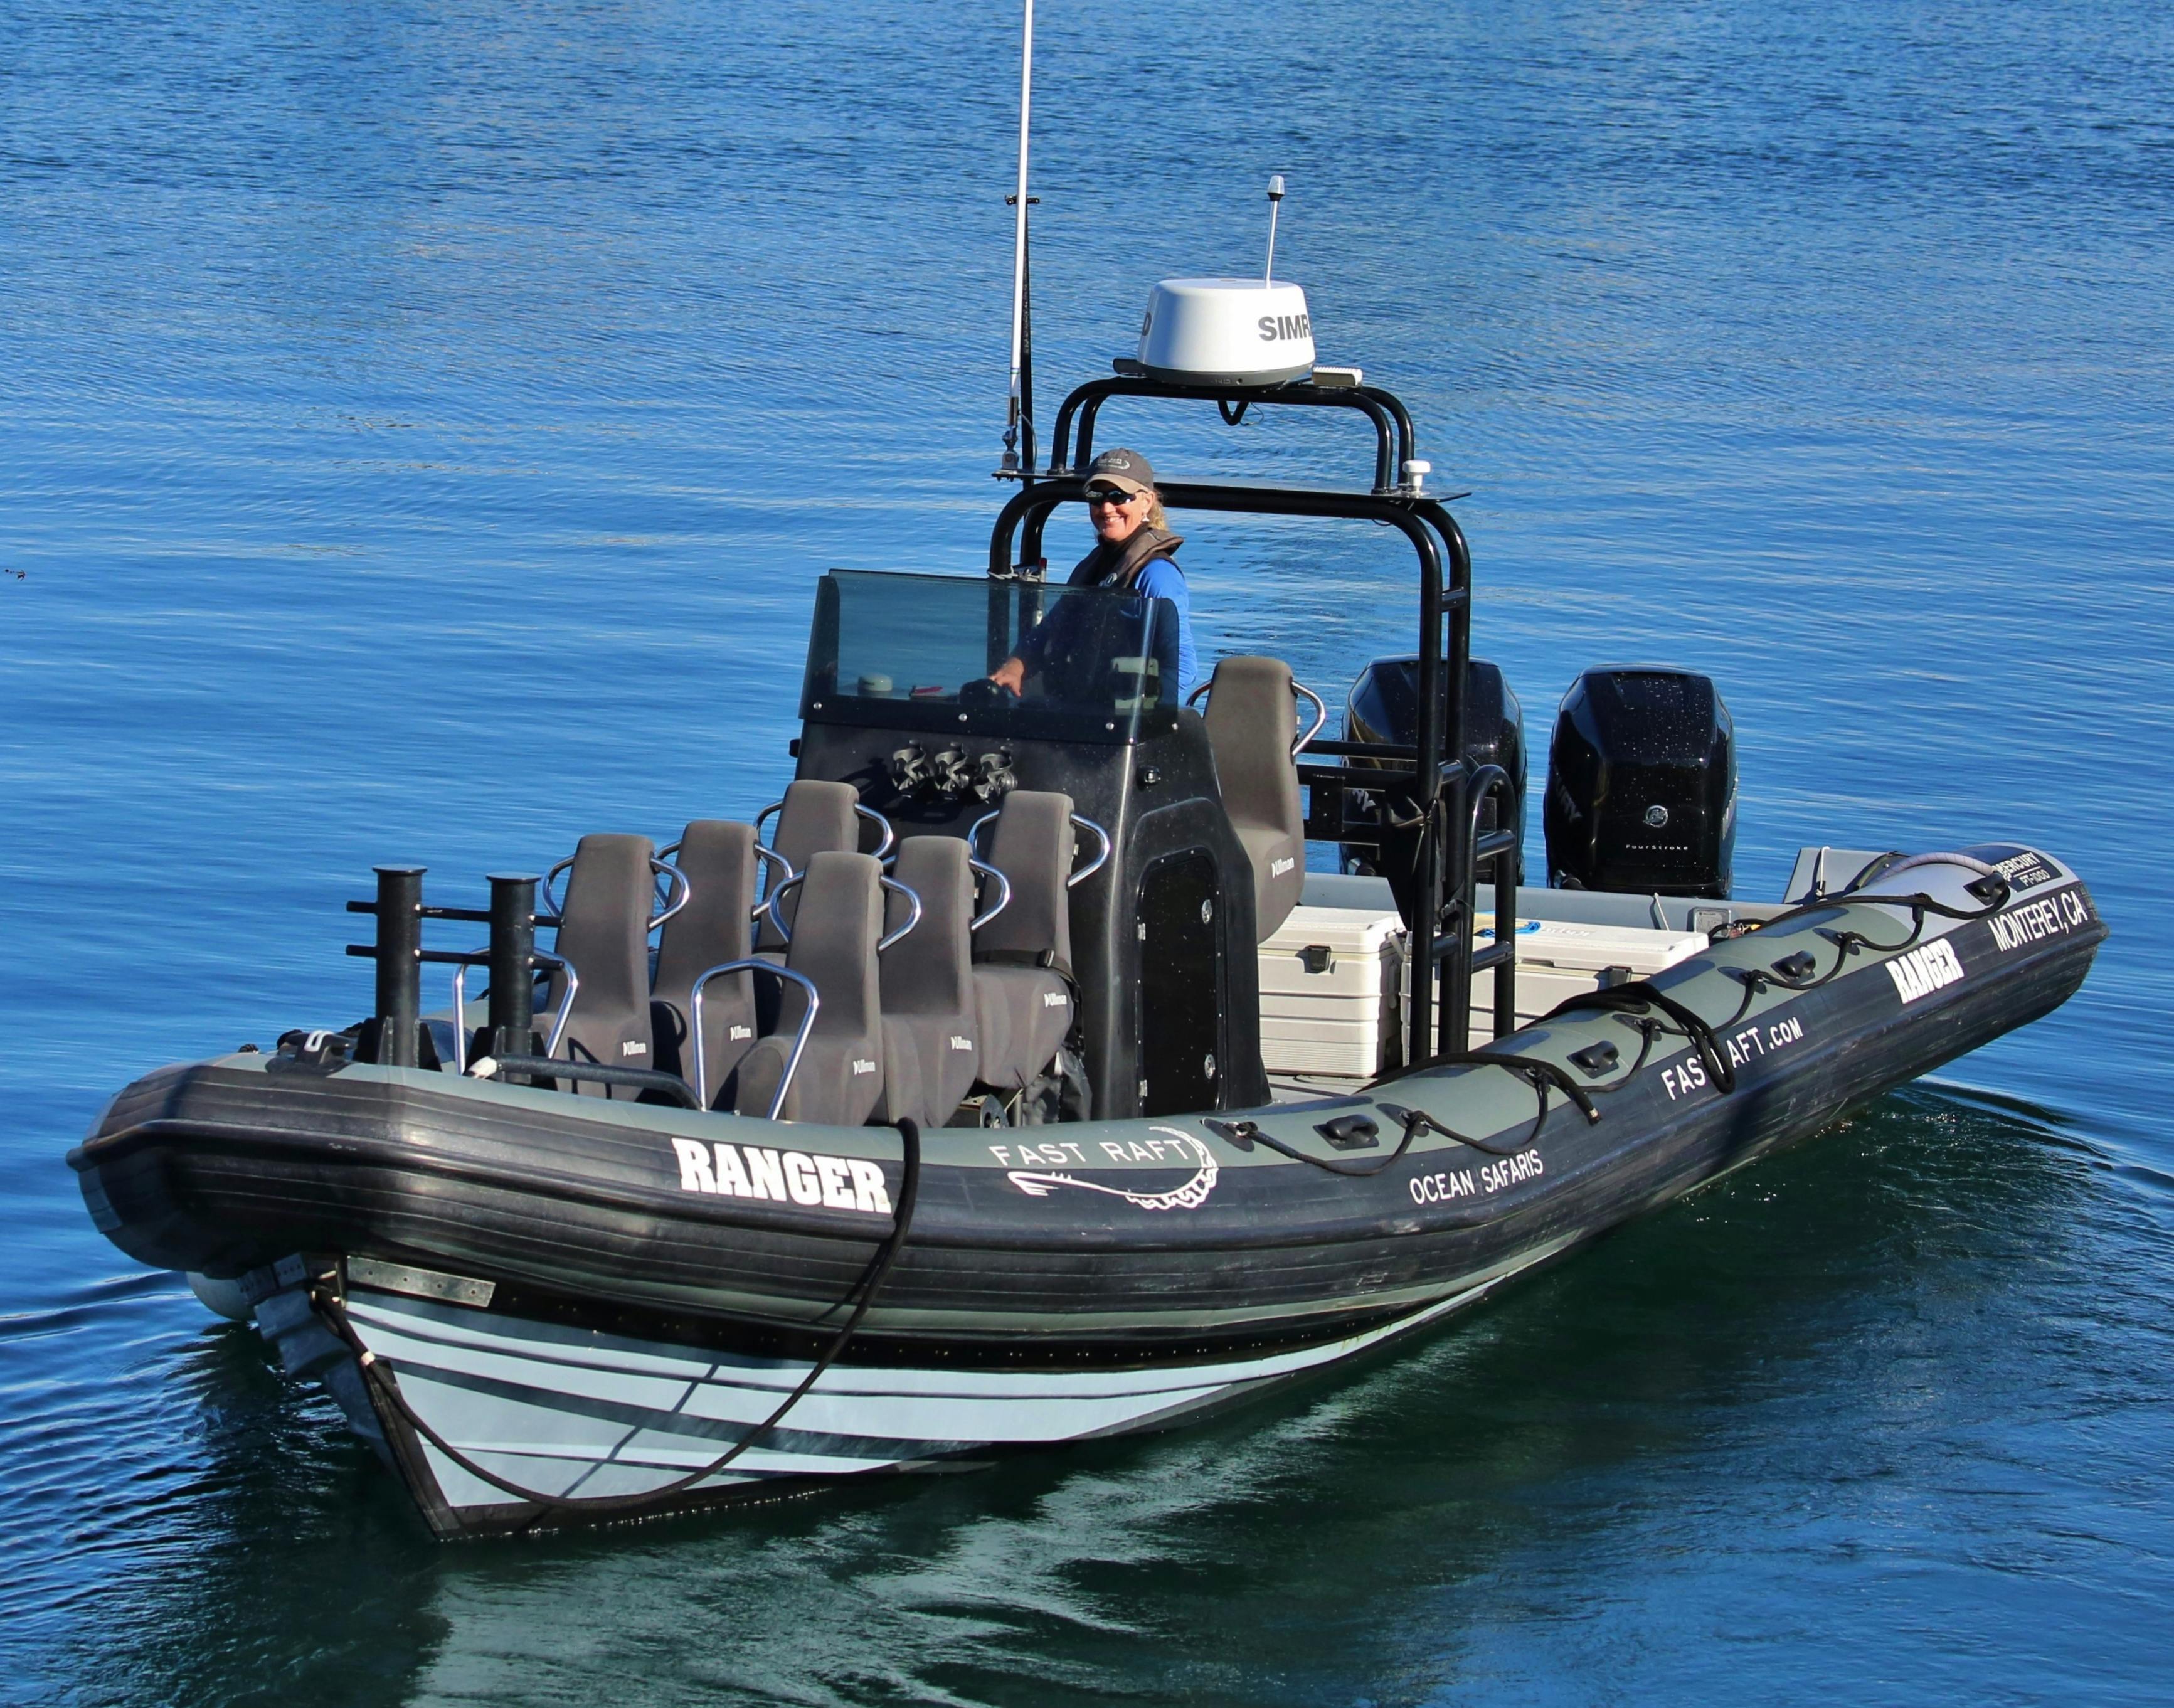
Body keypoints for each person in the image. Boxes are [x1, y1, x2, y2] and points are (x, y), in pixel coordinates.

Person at [989, 447, 1197, 700]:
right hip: (1075, 713)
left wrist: (1139, 711)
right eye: (1096, 496)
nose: (1107, 507)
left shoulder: (1157, 575)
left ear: (1147, 501)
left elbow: (1183, 669)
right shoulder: (1090, 567)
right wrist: (1016, 665)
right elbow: (1049, 631)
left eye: (1119, 496)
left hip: (1122, 722)